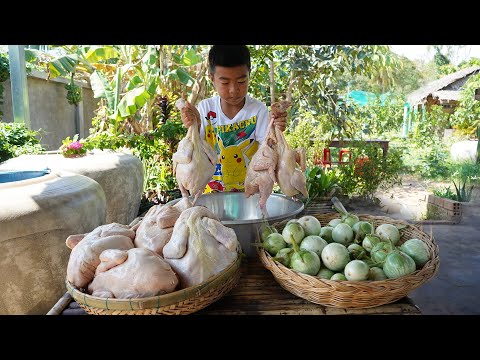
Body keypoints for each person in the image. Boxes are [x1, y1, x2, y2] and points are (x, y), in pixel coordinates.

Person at [180, 45, 288, 193]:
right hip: (211, 196)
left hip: (250, 196)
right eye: (225, 83)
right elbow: (195, 150)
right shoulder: (205, 109)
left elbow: (269, 150)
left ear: (249, 74)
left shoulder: (258, 110)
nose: (233, 90)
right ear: (212, 79)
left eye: (241, 82)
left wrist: (275, 128)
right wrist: (193, 125)